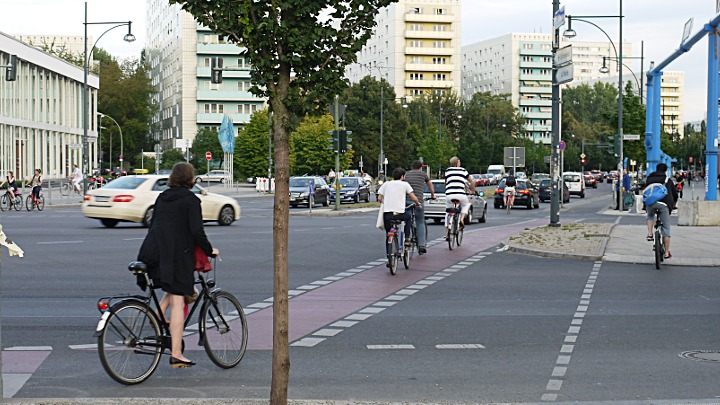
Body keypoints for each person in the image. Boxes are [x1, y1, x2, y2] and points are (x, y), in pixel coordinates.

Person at [138, 162, 219, 368]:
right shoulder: (191, 200)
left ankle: (156, 315)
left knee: (172, 285)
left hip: (151, 252)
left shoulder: (162, 197)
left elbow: (155, 224)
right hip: (175, 255)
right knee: (177, 301)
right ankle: (176, 354)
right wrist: (210, 251)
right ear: (191, 179)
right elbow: (196, 231)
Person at [377, 167, 420, 263]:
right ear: (402, 176)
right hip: (400, 214)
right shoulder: (405, 184)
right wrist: (417, 203)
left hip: (387, 215)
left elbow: (379, 198)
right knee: (409, 216)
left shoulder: (386, 184)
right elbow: (413, 197)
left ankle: (389, 257)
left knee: (388, 234)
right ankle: (407, 238)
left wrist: (385, 203)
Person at [644, 163, 678, 259]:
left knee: (650, 215)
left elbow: (646, 190)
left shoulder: (649, 179)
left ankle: (650, 234)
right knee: (666, 228)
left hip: (651, 203)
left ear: (656, 169)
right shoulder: (667, 180)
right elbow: (674, 194)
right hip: (664, 204)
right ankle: (667, 252)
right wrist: (674, 203)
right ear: (665, 170)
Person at [404, 160, 435, 254]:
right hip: (418, 202)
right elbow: (430, 184)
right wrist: (433, 195)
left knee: (406, 219)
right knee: (420, 222)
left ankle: (406, 238)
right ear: (421, 167)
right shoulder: (423, 174)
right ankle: (421, 244)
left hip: (407, 201)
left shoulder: (406, 174)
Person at [444, 157, 475, 239]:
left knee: (448, 211)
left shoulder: (447, 170)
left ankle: (447, 232)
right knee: (466, 204)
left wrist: (446, 190)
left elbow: (446, 182)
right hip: (461, 194)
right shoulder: (463, 170)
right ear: (457, 163)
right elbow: (471, 181)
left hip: (449, 194)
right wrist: (472, 191)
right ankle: (461, 219)